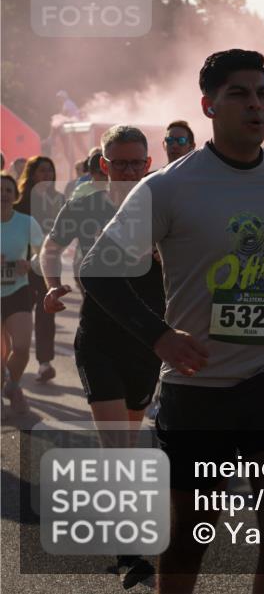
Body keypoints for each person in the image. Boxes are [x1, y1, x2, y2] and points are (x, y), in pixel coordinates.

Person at [79, 49, 264, 594]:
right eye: (239, 94)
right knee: (191, 537)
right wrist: (160, 336)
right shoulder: (168, 187)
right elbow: (97, 272)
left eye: (262, 93)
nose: (255, 105)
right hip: (199, 387)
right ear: (208, 106)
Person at [41, 126, 161, 587]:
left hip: (147, 342)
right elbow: (50, 251)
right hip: (98, 340)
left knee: (127, 444)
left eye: (137, 163)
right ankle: (131, 551)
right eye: (121, 163)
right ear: (104, 165)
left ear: (148, 164)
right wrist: (52, 284)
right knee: (117, 446)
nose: (129, 171)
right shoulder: (84, 205)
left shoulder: (159, 208)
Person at [13, 156, 65, 384]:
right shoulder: (20, 201)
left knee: (46, 313)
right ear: (32, 174)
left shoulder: (58, 200)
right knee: (17, 314)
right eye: (43, 171)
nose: (48, 176)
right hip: (21, 267)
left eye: (50, 172)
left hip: (48, 266)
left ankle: (45, 363)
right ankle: (12, 358)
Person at [1, 173, 44, 415]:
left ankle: (12, 385)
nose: (3, 195)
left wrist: (29, 264)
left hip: (18, 289)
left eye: (8, 190)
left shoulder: (27, 222)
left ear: (15, 196)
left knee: (22, 346)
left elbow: (43, 253)